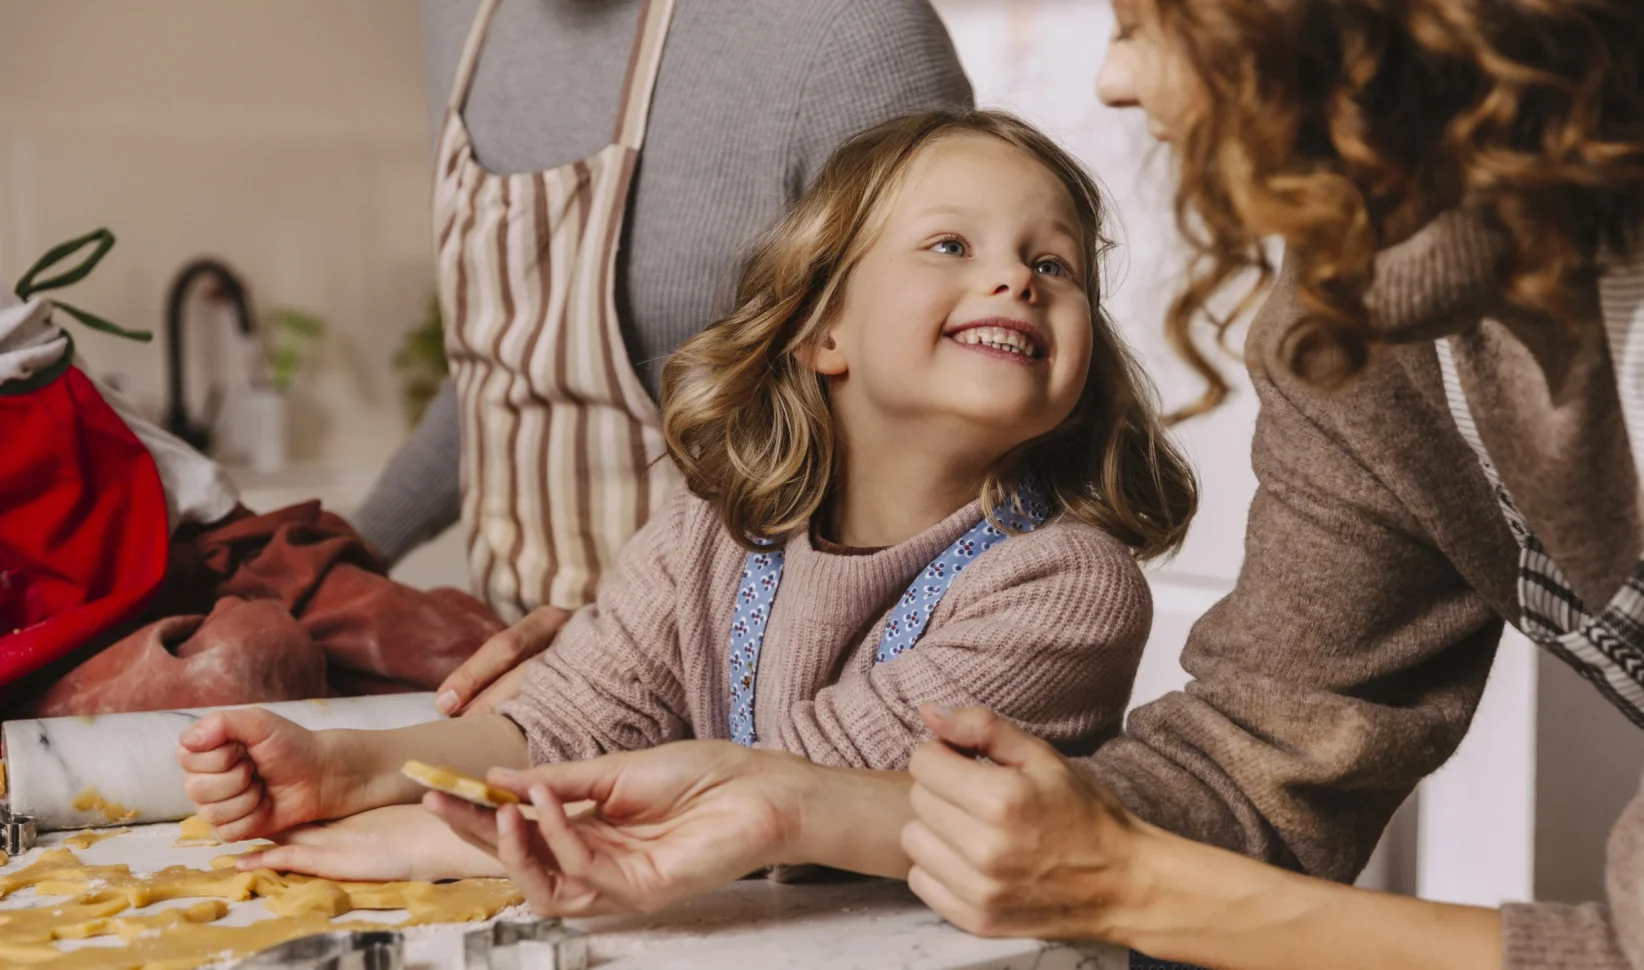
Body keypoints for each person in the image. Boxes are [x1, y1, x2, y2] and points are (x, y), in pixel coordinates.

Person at [390, 0, 1644, 965]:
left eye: (1151, 20)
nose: (1115, 78)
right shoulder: (1360, 346)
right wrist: (792, 809)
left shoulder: (1059, 579)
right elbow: (1252, 771)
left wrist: (1124, 883)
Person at [177, 111, 1200, 871]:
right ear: (820, 331)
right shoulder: (710, 537)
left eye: (1055, 263)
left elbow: (786, 793)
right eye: (950, 245)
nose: (1018, 280)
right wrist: (351, 765)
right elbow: (560, 725)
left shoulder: (1067, 586)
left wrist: (427, 840)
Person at [348, 0, 974, 718]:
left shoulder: (847, 34)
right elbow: (507, 369)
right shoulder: (461, 18)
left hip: (754, 710)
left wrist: (627, 650)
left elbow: (937, 451)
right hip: (511, 683)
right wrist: (326, 564)